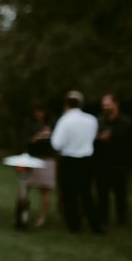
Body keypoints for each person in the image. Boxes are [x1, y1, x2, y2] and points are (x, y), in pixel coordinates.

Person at [51, 90, 102, 233]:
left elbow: (56, 144)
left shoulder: (65, 120)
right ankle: (95, 224)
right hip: (86, 161)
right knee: (87, 194)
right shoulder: (91, 120)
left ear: (66, 104)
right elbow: (93, 139)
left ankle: (74, 225)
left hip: (69, 161)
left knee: (69, 195)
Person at [95, 93, 130, 227]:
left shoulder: (126, 122)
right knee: (102, 193)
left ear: (116, 104)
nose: (105, 107)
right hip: (102, 163)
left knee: (120, 194)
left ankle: (122, 219)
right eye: (103, 104)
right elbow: (93, 139)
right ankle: (103, 218)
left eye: (107, 104)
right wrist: (99, 138)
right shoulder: (99, 122)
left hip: (120, 163)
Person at [24, 103, 57, 227]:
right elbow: (26, 140)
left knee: (45, 189)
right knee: (25, 187)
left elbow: (57, 142)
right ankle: (23, 212)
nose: (39, 113)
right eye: (36, 111)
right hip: (31, 159)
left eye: (41, 111)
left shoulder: (51, 124)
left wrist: (49, 135)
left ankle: (42, 217)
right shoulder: (28, 124)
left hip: (47, 159)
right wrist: (37, 137)